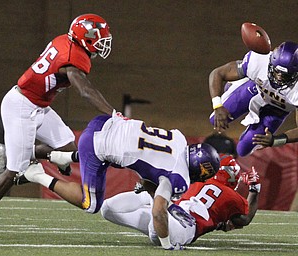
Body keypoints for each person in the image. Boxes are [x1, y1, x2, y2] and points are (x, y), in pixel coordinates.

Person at [0, 14, 116, 243]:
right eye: (99, 38)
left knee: (70, 148)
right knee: (13, 172)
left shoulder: (65, 40)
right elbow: (85, 91)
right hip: (21, 106)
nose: (103, 43)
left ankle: (21, 153)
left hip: (39, 106)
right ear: (85, 38)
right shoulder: (73, 57)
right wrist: (114, 114)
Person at [19, 112, 221, 250]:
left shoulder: (180, 140)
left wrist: (151, 191)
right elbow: (158, 212)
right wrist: (167, 245)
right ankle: (35, 174)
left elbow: (150, 165)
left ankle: (62, 157)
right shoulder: (179, 175)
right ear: (199, 168)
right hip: (98, 146)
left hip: (106, 124)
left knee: (118, 158)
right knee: (90, 204)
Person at [100, 154, 260, 247]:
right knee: (163, 210)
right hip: (182, 227)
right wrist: (254, 190)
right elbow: (245, 219)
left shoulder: (195, 178)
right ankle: (153, 194)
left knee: (107, 208)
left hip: (170, 214)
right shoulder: (230, 196)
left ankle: (152, 194)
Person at [209, 41, 298, 157]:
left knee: (243, 150)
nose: (279, 78)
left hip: (277, 110)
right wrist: (217, 105)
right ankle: (239, 82)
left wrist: (276, 140)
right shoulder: (259, 60)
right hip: (255, 91)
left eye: (285, 75)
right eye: (276, 71)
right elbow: (217, 73)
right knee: (215, 119)